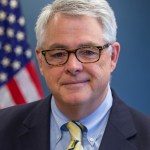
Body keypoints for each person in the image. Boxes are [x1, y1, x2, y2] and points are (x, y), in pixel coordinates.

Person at [0, 0, 150, 149]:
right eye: (58, 54)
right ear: (41, 61)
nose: (72, 67)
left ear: (112, 57)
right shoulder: (3, 129)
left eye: (88, 52)